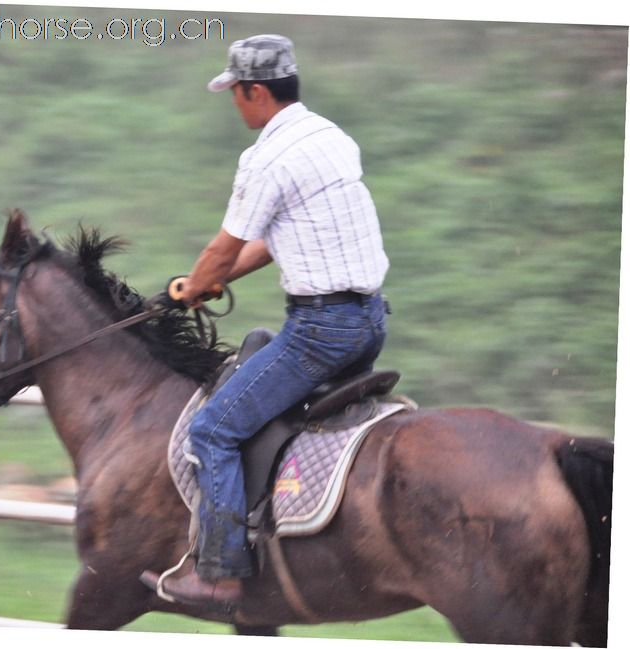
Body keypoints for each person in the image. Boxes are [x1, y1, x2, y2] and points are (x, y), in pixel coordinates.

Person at [141, 34, 390, 609]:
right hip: (370, 321)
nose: (233, 103)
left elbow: (224, 249)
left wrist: (192, 287)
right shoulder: (330, 138)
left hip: (321, 334)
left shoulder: (267, 158)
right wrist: (214, 281)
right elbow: (275, 243)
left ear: (256, 91)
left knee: (213, 430)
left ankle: (220, 572)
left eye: (235, 92)